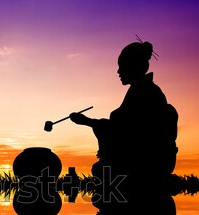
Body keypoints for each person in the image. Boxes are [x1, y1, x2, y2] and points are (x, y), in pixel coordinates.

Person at [69, 41, 178, 180]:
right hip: (154, 159)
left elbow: (127, 131)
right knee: (100, 170)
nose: (118, 71)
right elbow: (120, 128)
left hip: (147, 160)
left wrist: (88, 122)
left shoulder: (146, 93)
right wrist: (89, 122)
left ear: (135, 67)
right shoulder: (141, 90)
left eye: (122, 67)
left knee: (101, 170)